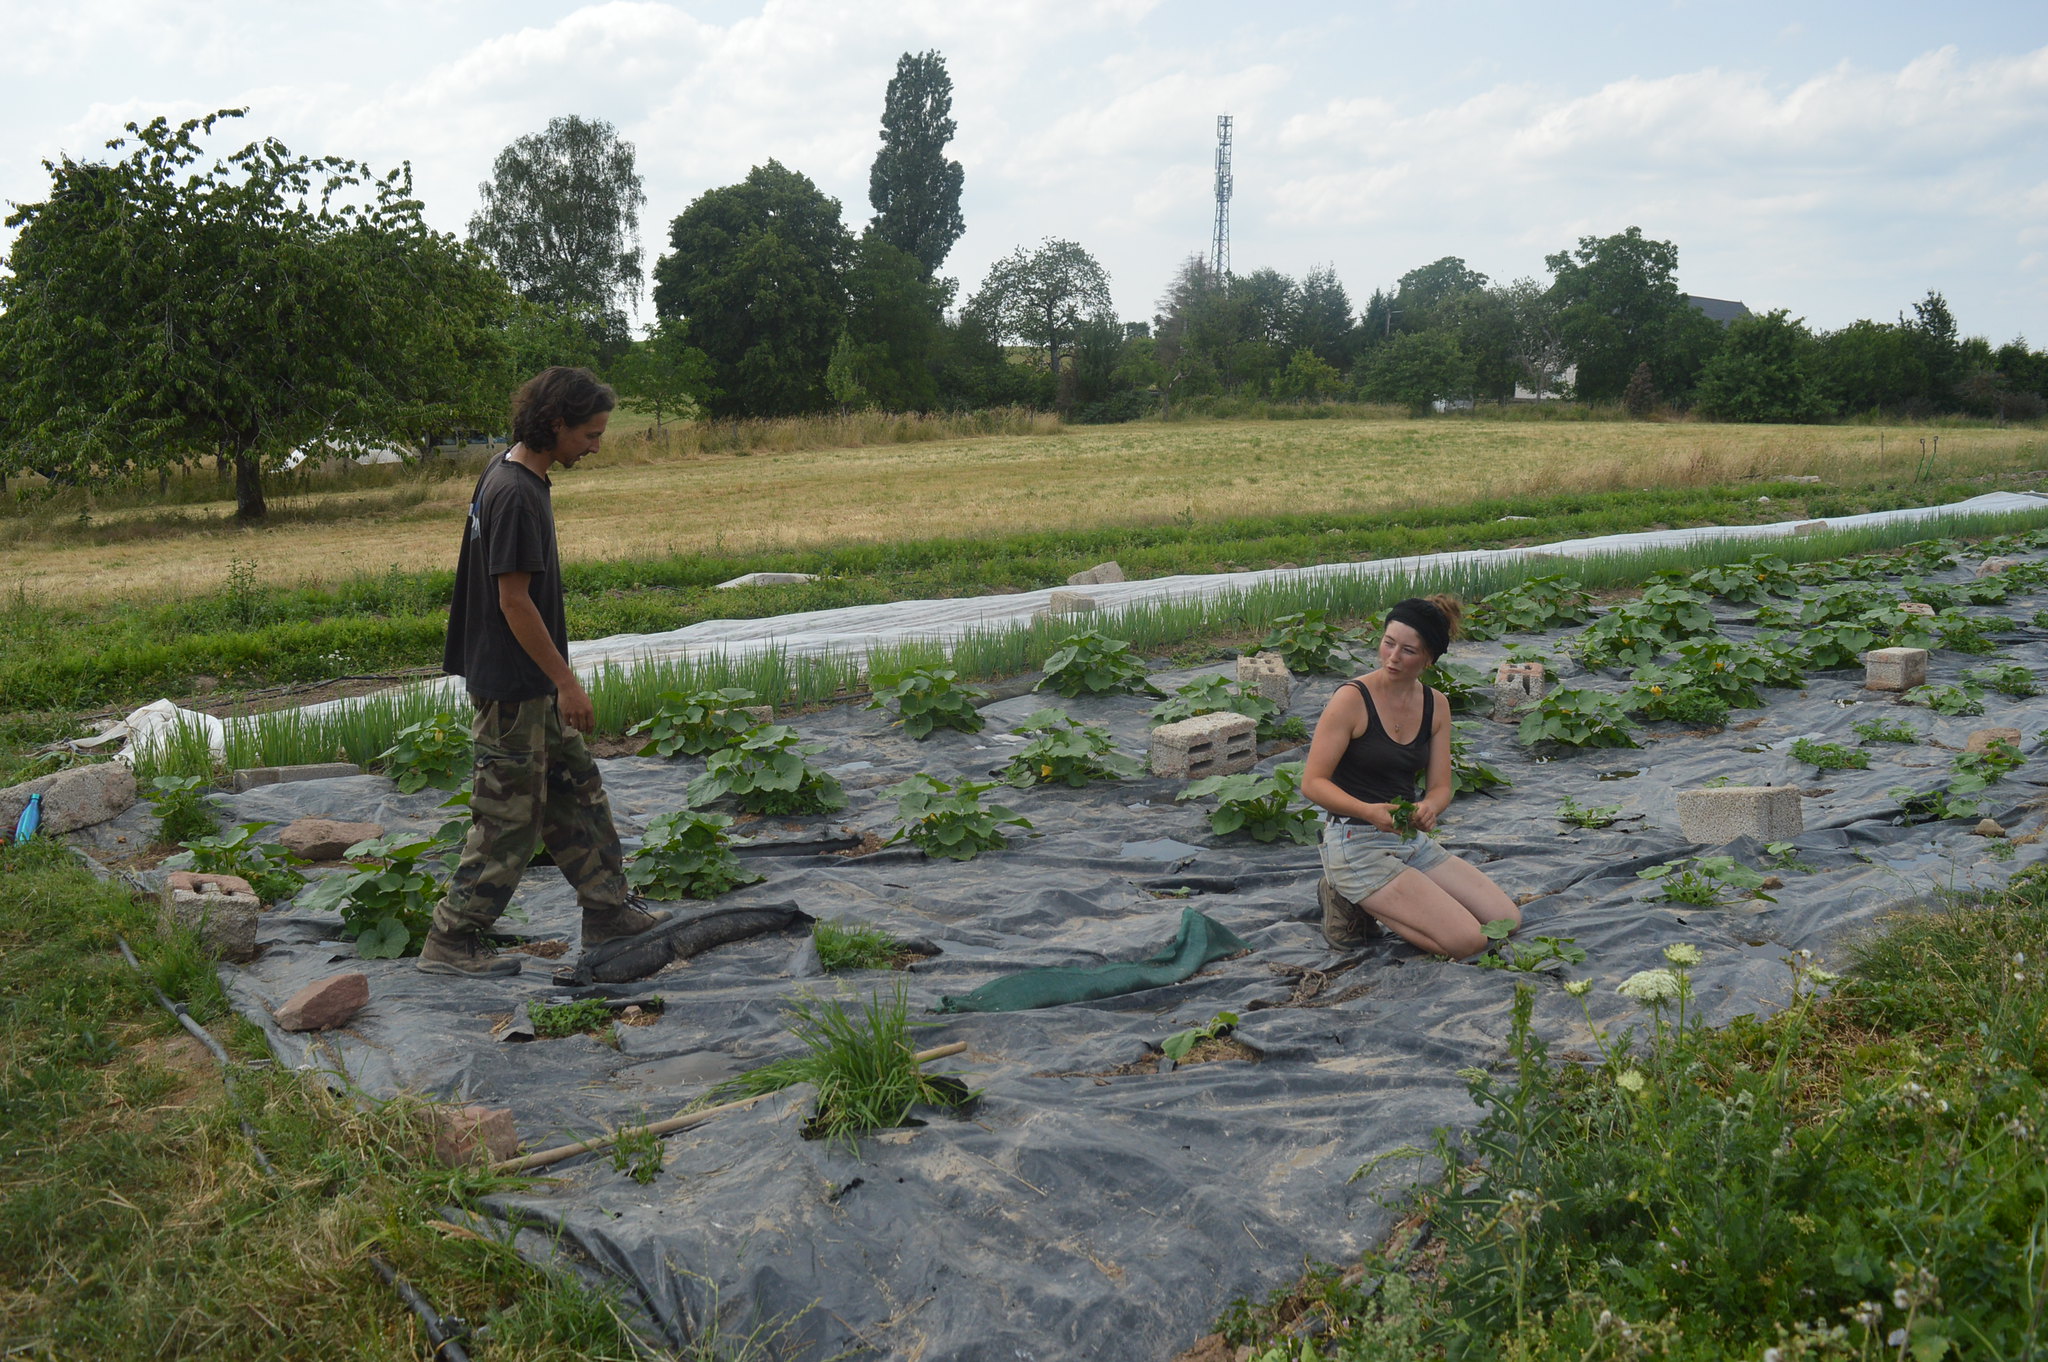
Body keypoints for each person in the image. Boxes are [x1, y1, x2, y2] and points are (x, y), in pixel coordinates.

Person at [417, 366, 674, 978]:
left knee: (578, 793)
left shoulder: (520, 478)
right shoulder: (512, 494)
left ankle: (607, 911)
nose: (595, 445)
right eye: (589, 433)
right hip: (513, 689)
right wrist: (567, 681)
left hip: (531, 684)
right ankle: (451, 941)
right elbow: (513, 602)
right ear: (555, 424)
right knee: (508, 822)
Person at [1299, 595, 1521, 958]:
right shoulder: (1352, 699)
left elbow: (1439, 787)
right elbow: (1313, 783)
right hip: (1355, 840)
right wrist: (1369, 811)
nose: (1392, 658)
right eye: (1388, 643)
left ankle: (1375, 894)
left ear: (1429, 659)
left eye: (1408, 651)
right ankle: (1348, 893)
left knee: (1505, 919)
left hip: (1408, 838)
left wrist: (1430, 808)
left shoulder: (1436, 704)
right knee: (1469, 942)